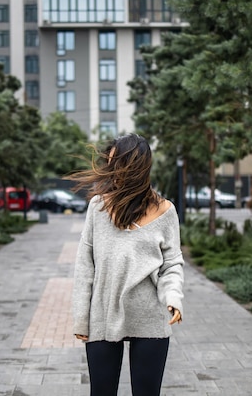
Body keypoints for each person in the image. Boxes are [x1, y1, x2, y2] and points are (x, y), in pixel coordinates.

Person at [69, 134, 184, 396]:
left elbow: (172, 264)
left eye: (119, 164)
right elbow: (85, 265)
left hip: (149, 316)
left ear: (137, 167)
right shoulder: (97, 207)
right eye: (111, 165)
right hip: (103, 315)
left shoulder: (166, 211)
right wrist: (81, 319)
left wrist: (174, 297)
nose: (114, 172)